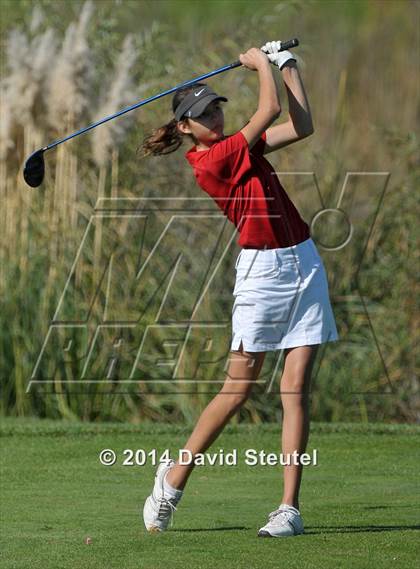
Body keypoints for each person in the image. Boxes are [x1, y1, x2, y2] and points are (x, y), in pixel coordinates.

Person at [140, 41, 339, 537]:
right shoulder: (210, 162)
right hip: (262, 274)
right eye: (204, 113)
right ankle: (172, 479)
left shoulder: (237, 146)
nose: (215, 117)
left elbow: (301, 124)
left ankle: (288, 508)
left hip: (304, 262)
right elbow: (268, 107)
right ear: (185, 127)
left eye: (216, 108)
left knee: (297, 390)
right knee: (238, 390)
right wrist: (260, 64)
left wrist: (288, 67)